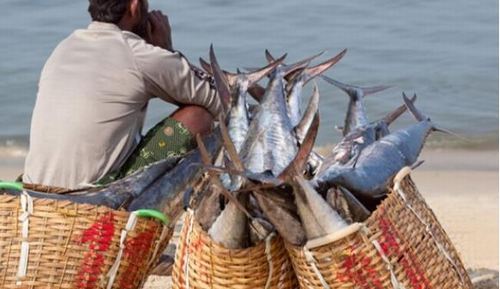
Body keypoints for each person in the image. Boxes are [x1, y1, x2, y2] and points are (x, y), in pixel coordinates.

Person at [22, 0, 222, 191]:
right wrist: (167, 51)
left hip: (36, 192)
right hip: (93, 197)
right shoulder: (138, 53)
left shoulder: (64, 47)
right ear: (134, 6)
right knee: (198, 116)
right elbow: (218, 101)